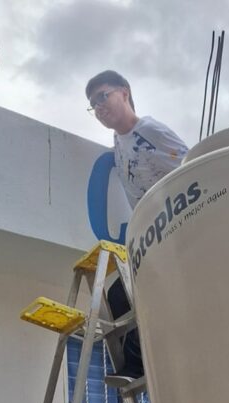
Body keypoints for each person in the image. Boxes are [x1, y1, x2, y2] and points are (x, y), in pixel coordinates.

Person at [84, 71, 188, 382]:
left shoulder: (151, 130)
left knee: (139, 295)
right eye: (93, 105)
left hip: (172, 231)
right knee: (118, 298)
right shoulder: (118, 140)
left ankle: (142, 364)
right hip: (147, 237)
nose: (100, 108)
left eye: (103, 96)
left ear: (125, 93)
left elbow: (188, 167)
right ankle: (141, 366)